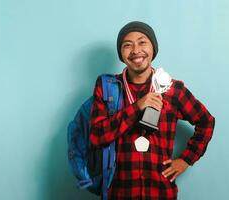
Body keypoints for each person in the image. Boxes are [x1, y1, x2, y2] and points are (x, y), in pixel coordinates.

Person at [89, 21, 215, 200]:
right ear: (121, 54)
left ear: (153, 48)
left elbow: (206, 121)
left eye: (142, 42)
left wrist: (186, 159)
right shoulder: (108, 88)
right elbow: (96, 136)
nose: (135, 50)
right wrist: (137, 106)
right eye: (127, 45)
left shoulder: (173, 89)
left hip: (160, 192)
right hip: (119, 191)